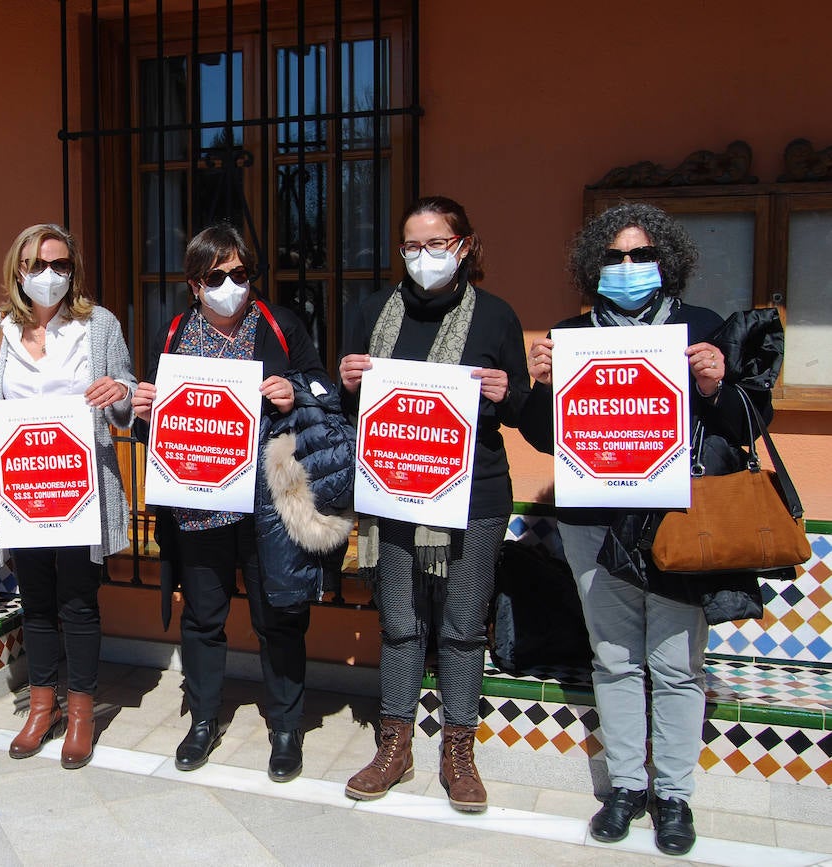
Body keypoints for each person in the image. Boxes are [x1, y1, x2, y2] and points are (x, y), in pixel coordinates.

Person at [518, 202, 764, 856]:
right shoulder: (571, 335)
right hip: (593, 524)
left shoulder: (701, 328)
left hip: (677, 524)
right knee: (615, 658)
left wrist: (714, 386)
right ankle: (626, 787)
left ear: (667, 260)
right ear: (593, 265)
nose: (627, 266)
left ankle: (674, 795)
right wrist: (540, 385)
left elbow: (748, 425)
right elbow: (543, 436)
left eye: (641, 255)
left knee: (677, 665)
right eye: (614, 257)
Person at [338, 196, 529, 812]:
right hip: (392, 489)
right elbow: (350, 405)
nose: (424, 257)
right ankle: (394, 746)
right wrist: (346, 382)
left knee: (464, 624)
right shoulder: (373, 311)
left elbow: (521, 408)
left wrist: (507, 391)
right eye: (413, 246)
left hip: (474, 495)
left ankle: (458, 752)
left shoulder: (497, 316)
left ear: (464, 246)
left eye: (437, 244)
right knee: (399, 620)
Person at [132, 223, 327, 783]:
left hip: (268, 505)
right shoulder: (173, 335)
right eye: (215, 277)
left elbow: (323, 390)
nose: (230, 286)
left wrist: (294, 393)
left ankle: (285, 728)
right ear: (195, 284)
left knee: (279, 618)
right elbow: (156, 426)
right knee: (202, 618)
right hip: (199, 505)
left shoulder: (279, 325)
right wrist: (144, 414)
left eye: (239, 274)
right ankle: (202, 720)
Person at [0, 223, 135, 769]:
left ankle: (82, 711)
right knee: (35, 600)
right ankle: (42, 706)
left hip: (81, 488)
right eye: (38, 265)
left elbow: (127, 398)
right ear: (18, 270)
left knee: (78, 602)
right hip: (26, 487)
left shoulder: (98, 325)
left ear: (73, 270)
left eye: (60, 265)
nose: (50, 275)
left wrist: (120, 391)